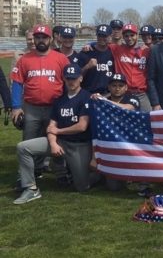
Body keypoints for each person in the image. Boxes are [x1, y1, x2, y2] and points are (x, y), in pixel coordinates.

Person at [13, 64, 92, 204]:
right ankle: (30, 188)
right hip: (60, 142)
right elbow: (51, 126)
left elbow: (82, 126)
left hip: (79, 144)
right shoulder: (59, 100)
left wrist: (59, 131)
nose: (71, 81)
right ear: (64, 79)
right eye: (68, 78)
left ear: (81, 78)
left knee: (82, 187)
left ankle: (96, 175)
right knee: (23, 147)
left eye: (74, 78)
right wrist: (53, 143)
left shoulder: (87, 97)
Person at [10, 24, 70, 180]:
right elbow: (17, 83)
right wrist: (16, 107)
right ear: (34, 39)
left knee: (56, 140)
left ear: (50, 39)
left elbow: (70, 81)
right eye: (38, 37)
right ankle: (29, 173)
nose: (41, 40)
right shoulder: (24, 59)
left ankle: (60, 173)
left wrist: (68, 105)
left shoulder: (61, 59)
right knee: (28, 142)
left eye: (44, 37)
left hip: (54, 108)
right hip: (32, 108)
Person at [90, 73, 140, 191]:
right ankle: (103, 175)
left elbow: (128, 108)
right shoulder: (103, 101)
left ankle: (134, 178)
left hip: (130, 142)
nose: (117, 88)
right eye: (114, 85)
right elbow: (96, 130)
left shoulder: (132, 98)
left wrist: (104, 101)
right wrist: (93, 157)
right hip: (110, 143)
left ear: (126, 87)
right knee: (113, 187)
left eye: (120, 85)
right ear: (109, 87)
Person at [108, 23, 152, 112]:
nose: (129, 38)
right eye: (126, 36)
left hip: (141, 93)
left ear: (137, 35)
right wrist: (89, 45)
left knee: (149, 118)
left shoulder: (146, 50)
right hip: (124, 93)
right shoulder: (117, 49)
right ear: (123, 37)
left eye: (132, 35)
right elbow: (102, 43)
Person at [77, 24, 114, 94]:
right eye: (100, 35)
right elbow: (76, 76)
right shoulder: (86, 52)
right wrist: (87, 67)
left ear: (110, 37)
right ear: (96, 35)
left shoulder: (113, 53)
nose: (101, 38)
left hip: (107, 95)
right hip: (88, 93)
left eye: (104, 36)